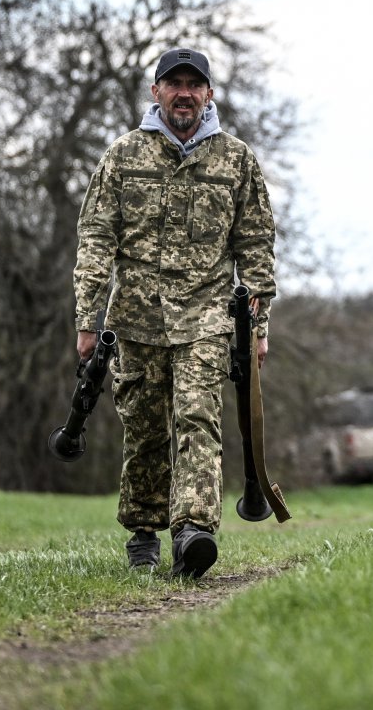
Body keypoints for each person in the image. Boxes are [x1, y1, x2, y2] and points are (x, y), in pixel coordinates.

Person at [73, 47, 276, 579]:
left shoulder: (236, 160)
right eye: (174, 83)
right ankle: (143, 531)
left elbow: (255, 245)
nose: (184, 93)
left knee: (197, 417)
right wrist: (88, 320)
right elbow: (96, 239)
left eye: (195, 84)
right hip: (135, 317)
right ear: (155, 91)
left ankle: (193, 530)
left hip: (207, 317)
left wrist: (258, 327)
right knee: (143, 429)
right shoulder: (122, 157)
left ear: (209, 94)